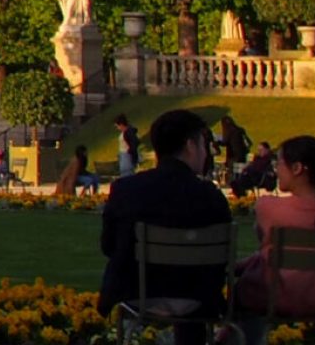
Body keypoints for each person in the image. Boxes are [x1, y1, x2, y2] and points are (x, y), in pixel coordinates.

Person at [100, 110, 233, 345]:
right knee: (193, 281)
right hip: (197, 298)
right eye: (204, 144)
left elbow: (108, 246)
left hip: (138, 293)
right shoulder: (211, 197)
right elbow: (220, 257)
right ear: (191, 145)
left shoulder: (125, 189)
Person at [231, 136, 315, 344]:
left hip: (273, 297)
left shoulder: (269, 207)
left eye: (279, 163)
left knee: (240, 295)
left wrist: (235, 268)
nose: (276, 169)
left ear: (297, 168)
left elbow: (264, 252)